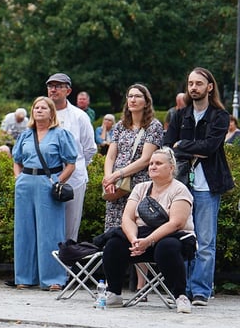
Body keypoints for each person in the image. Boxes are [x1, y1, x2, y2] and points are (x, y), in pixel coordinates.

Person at [163, 67, 235, 307]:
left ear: (210, 87)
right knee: (181, 237)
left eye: (199, 83)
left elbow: (210, 147)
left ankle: (201, 290)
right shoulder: (180, 114)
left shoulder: (220, 116)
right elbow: (168, 146)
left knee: (205, 241)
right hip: (181, 186)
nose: (193, 87)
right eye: (191, 83)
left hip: (207, 186)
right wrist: (189, 147)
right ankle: (181, 289)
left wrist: (182, 144)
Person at [101, 148, 195, 313]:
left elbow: (176, 223)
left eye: (158, 163)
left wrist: (148, 241)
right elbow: (127, 218)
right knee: (114, 244)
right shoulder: (140, 188)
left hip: (173, 237)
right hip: (141, 236)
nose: (153, 166)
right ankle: (114, 293)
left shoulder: (180, 189)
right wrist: (134, 240)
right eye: (151, 163)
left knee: (167, 247)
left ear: (171, 168)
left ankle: (181, 296)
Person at [11, 96, 77, 291]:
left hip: (47, 184)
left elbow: (71, 164)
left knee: (50, 232)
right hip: (25, 183)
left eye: (43, 108)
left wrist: (57, 182)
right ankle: (24, 277)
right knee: (24, 231)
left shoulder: (60, 134)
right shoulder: (25, 135)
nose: (39, 110)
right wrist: (18, 179)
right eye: (36, 107)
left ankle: (53, 278)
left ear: (51, 112)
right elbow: (17, 160)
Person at [101, 84, 164, 230]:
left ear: (146, 102)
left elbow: (146, 159)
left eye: (137, 96)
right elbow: (110, 156)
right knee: (113, 229)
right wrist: (108, 179)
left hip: (139, 185)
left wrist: (117, 174)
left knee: (137, 227)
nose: (133, 100)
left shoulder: (153, 126)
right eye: (130, 96)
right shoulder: (120, 126)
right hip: (117, 186)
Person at [46, 73, 97, 242]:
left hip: (74, 181)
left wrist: (76, 167)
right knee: (47, 229)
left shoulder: (79, 116)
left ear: (68, 91)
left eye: (58, 86)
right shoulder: (41, 114)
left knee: (69, 231)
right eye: (50, 86)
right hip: (45, 179)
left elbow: (89, 149)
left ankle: (67, 260)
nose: (53, 90)